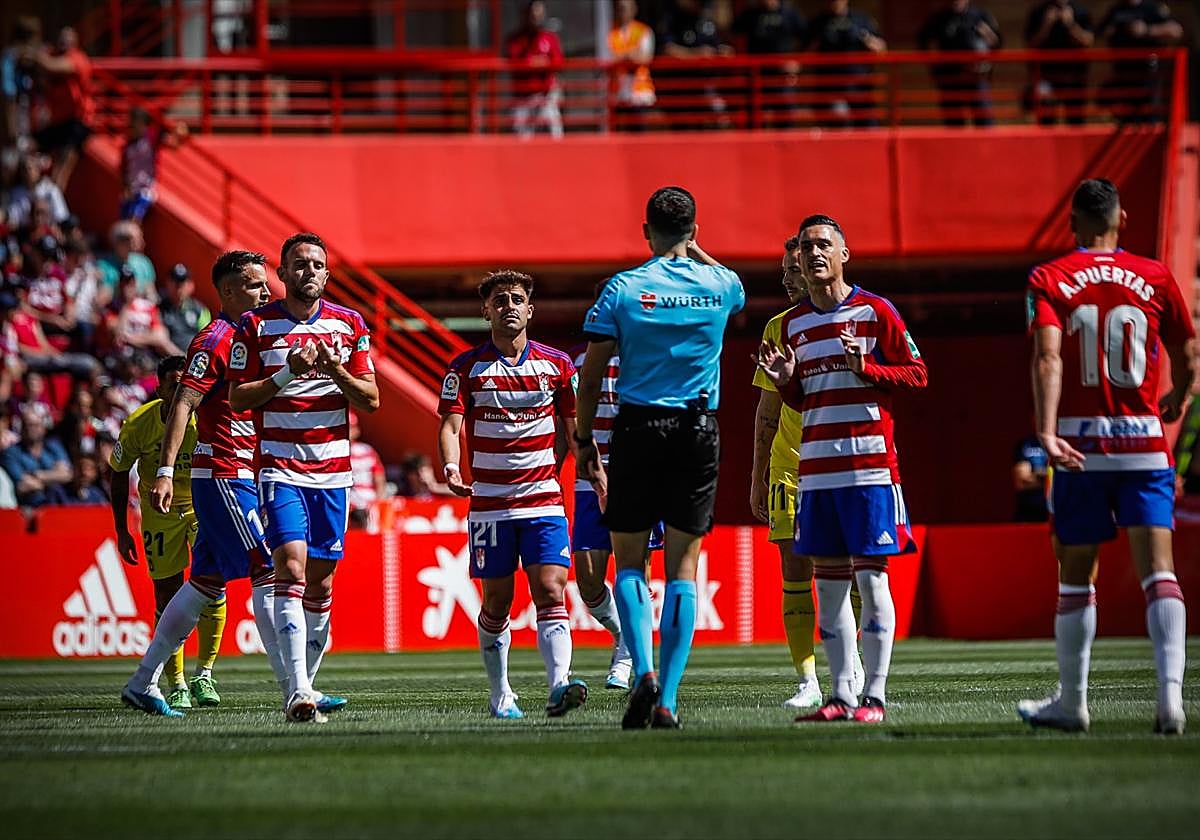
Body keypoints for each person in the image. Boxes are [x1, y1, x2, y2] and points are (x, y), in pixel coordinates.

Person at [1020, 178, 1195, 734]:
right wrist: (1180, 394)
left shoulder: (1049, 277)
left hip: (1080, 445)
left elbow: (1049, 358)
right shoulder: (1155, 275)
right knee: (1159, 573)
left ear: (1072, 224)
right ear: (1122, 220)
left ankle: (1073, 702)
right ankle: (1170, 699)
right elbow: (1188, 352)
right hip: (1144, 441)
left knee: (1075, 575)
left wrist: (1047, 433)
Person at [575, 186, 744, 729]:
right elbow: (732, 284)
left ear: (645, 231)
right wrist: (695, 249)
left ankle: (642, 669)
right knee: (683, 571)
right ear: (694, 231)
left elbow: (592, 376)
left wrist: (584, 443)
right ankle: (668, 699)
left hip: (638, 427)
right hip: (698, 428)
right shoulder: (721, 285)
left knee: (629, 563)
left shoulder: (622, 290)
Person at [756, 214, 927, 725]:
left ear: (844, 254)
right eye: (806, 247)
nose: (813, 254)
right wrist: (787, 382)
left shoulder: (877, 312)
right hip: (816, 475)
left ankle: (874, 695)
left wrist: (868, 368)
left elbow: (918, 374)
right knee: (828, 588)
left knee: (872, 584)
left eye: (823, 245)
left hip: (870, 473)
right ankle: (840, 695)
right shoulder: (792, 326)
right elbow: (801, 400)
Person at [122, 251, 297, 719]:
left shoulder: (251, 337)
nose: (266, 292)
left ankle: (143, 682)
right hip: (222, 472)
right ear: (228, 291)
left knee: (203, 582)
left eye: (266, 283)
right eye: (257, 285)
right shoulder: (215, 339)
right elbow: (183, 403)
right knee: (268, 567)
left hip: (241, 472)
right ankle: (294, 691)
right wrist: (162, 471)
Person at [229, 232, 379, 723]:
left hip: (334, 471)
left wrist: (335, 370)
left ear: (327, 275)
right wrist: (285, 375)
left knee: (320, 583)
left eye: (317, 265)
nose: (308, 271)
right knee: (289, 568)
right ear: (283, 271)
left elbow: (371, 399)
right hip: (279, 465)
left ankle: (304, 686)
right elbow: (238, 399)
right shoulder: (255, 325)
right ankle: (297, 691)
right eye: (299, 264)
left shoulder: (350, 323)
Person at [438, 270, 588, 720]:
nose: (508, 306)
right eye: (498, 300)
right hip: (491, 505)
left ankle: (559, 684)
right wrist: (450, 465)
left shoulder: (558, 365)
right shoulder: (465, 368)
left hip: (544, 500)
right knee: (497, 602)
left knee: (550, 589)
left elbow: (573, 429)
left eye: (516, 299)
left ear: (530, 309)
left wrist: (591, 473)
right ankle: (501, 693)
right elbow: (450, 425)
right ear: (485, 311)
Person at [751, 236, 863, 709]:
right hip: (791, 469)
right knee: (794, 571)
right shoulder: (777, 328)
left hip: (847, 464)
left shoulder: (858, 316)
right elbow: (766, 411)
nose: (785, 278)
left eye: (790, 269)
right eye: (783, 270)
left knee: (856, 572)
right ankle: (808, 680)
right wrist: (758, 476)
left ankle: (852, 665)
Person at [108, 355, 225, 711]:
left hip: (202, 508)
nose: (179, 391)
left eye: (184, 383)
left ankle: (204, 674)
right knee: (167, 595)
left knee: (213, 585)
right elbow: (117, 472)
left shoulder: (204, 417)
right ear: (159, 388)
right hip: (159, 514)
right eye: (172, 384)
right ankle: (176, 683)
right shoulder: (138, 423)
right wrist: (122, 530)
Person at [568, 307, 663, 692]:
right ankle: (627, 634)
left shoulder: (653, 355)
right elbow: (571, 421)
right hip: (591, 475)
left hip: (639, 474)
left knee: (634, 573)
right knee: (588, 582)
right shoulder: (578, 360)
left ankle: (626, 660)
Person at [1096, 0, 1183, 123]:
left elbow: (1176, 31)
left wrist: (1147, 30)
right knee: (1124, 114)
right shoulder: (1117, 10)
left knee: (1149, 112)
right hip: (1123, 72)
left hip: (1148, 71)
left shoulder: (1152, 8)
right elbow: (1099, 33)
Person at [917, 0, 1000, 127]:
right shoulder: (939, 18)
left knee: (984, 121)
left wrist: (988, 36)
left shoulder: (979, 15)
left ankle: (985, 147)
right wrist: (933, 66)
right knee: (954, 124)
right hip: (950, 77)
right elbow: (922, 42)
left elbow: (997, 43)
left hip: (976, 77)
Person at [28, 27, 92, 190]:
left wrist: (32, 51)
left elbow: (54, 66)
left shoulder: (78, 58)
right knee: (29, 148)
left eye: (68, 39)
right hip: (58, 121)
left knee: (61, 170)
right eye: (62, 38)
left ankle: (54, 206)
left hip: (77, 121)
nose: (64, 42)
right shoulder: (53, 54)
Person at [809, 0, 886, 127]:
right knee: (839, 122)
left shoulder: (860, 19)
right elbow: (805, 53)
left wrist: (865, 37)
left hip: (859, 84)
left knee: (869, 126)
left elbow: (881, 48)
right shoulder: (819, 22)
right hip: (831, 87)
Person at [1024, 0, 1095, 126]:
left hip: (1074, 76)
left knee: (1076, 121)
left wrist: (1070, 24)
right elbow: (1031, 44)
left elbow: (1088, 41)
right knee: (1046, 119)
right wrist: (1046, 24)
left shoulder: (1080, 12)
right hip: (1046, 76)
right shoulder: (1039, 12)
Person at [504, 1, 564, 139]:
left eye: (539, 13)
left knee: (555, 136)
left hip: (545, 95)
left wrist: (540, 62)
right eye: (532, 14)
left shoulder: (550, 38)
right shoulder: (515, 39)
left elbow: (558, 62)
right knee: (521, 140)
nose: (536, 17)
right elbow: (516, 62)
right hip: (522, 97)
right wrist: (538, 61)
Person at [119, 107, 185, 222]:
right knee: (124, 219)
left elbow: (173, 144)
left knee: (134, 218)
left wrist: (179, 134)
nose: (134, 128)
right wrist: (125, 187)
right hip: (130, 189)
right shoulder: (127, 146)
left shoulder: (151, 138)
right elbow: (123, 169)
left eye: (138, 124)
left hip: (146, 188)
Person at [1, 407, 71, 508]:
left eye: (35, 425)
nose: (31, 429)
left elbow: (68, 475)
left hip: (58, 507)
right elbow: (22, 486)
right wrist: (55, 478)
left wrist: (37, 475)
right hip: (30, 509)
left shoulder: (54, 446)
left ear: (43, 427)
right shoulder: (10, 453)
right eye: (27, 425)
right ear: (21, 428)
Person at [607, 0, 658, 129]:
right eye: (620, 9)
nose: (622, 12)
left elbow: (645, 58)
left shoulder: (644, 31)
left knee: (639, 131)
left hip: (639, 91)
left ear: (634, 10)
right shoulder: (611, 32)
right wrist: (631, 53)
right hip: (619, 92)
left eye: (626, 8)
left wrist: (622, 55)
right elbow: (608, 58)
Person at [158, 263, 212, 353]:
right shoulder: (159, 309)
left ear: (191, 285)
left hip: (194, 360)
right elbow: (161, 342)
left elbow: (206, 340)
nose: (178, 288)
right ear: (167, 283)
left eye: (182, 283)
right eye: (174, 283)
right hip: (169, 361)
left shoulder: (200, 310)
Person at [98, 221, 156, 297]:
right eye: (137, 239)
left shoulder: (143, 263)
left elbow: (151, 292)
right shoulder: (103, 266)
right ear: (120, 241)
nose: (142, 242)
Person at [349, 413, 386, 529]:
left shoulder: (367, 450)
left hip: (369, 503)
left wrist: (378, 502)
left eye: (350, 427)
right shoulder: (333, 452)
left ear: (356, 430)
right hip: (347, 504)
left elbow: (379, 478)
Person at [1012, 434, 1050, 522]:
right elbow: (1023, 481)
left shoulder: (1062, 443)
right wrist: (1050, 477)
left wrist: (1036, 474)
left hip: (1056, 511)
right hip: (1029, 510)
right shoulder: (1026, 444)